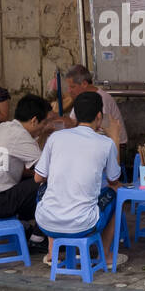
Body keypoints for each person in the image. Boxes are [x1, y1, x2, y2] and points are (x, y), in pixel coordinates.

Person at [33, 91, 122, 267]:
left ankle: (53, 253)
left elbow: (38, 177)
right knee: (116, 192)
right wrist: (116, 137)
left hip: (46, 222)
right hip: (84, 225)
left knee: (44, 188)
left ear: (75, 116)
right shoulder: (106, 143)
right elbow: (114, 179)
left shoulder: (56, 137)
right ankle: (106, 255)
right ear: (99, 116)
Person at [0, 94, 51, 228]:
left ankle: (27, 227)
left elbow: (18, 169)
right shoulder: (21, 136)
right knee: (50, 185)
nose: (44, 127)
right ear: (34, 120)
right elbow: (48, 169)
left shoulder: (4, 127)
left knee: (36, 180)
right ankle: (39, 237)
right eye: (44, 123)